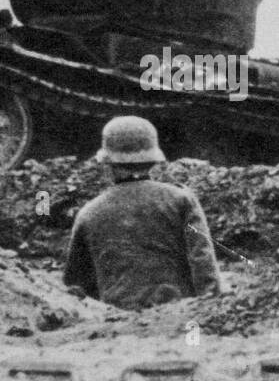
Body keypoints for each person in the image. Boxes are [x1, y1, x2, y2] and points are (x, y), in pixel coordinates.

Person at [64, 116, 224, 309]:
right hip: (178, 315)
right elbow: (203, 264)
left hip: (119, 325)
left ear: (107, 163)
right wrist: (211, 310)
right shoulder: (181, 200)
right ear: (153, 160)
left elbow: (76, 285)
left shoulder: (88, 213)